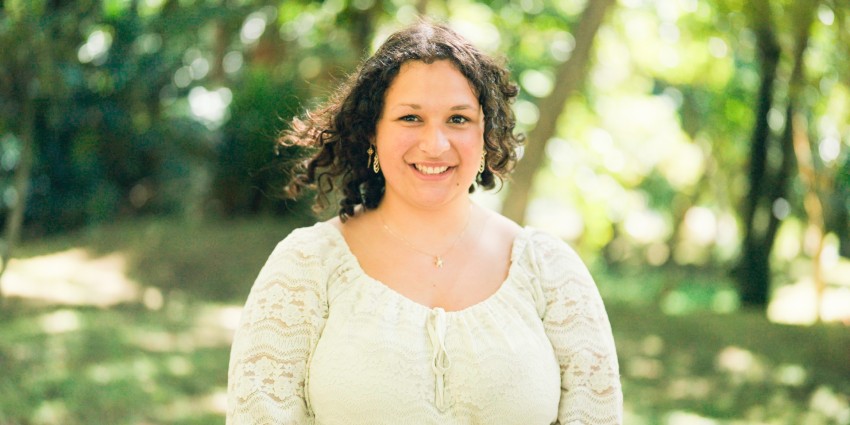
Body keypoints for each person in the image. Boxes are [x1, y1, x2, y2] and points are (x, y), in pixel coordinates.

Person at [227, 20, 622, 425]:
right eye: (411, 118)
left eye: (458, 119)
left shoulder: (550, 271)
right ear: (372, 135)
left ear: (485, 135)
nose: (435, 144)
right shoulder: (307, 266)